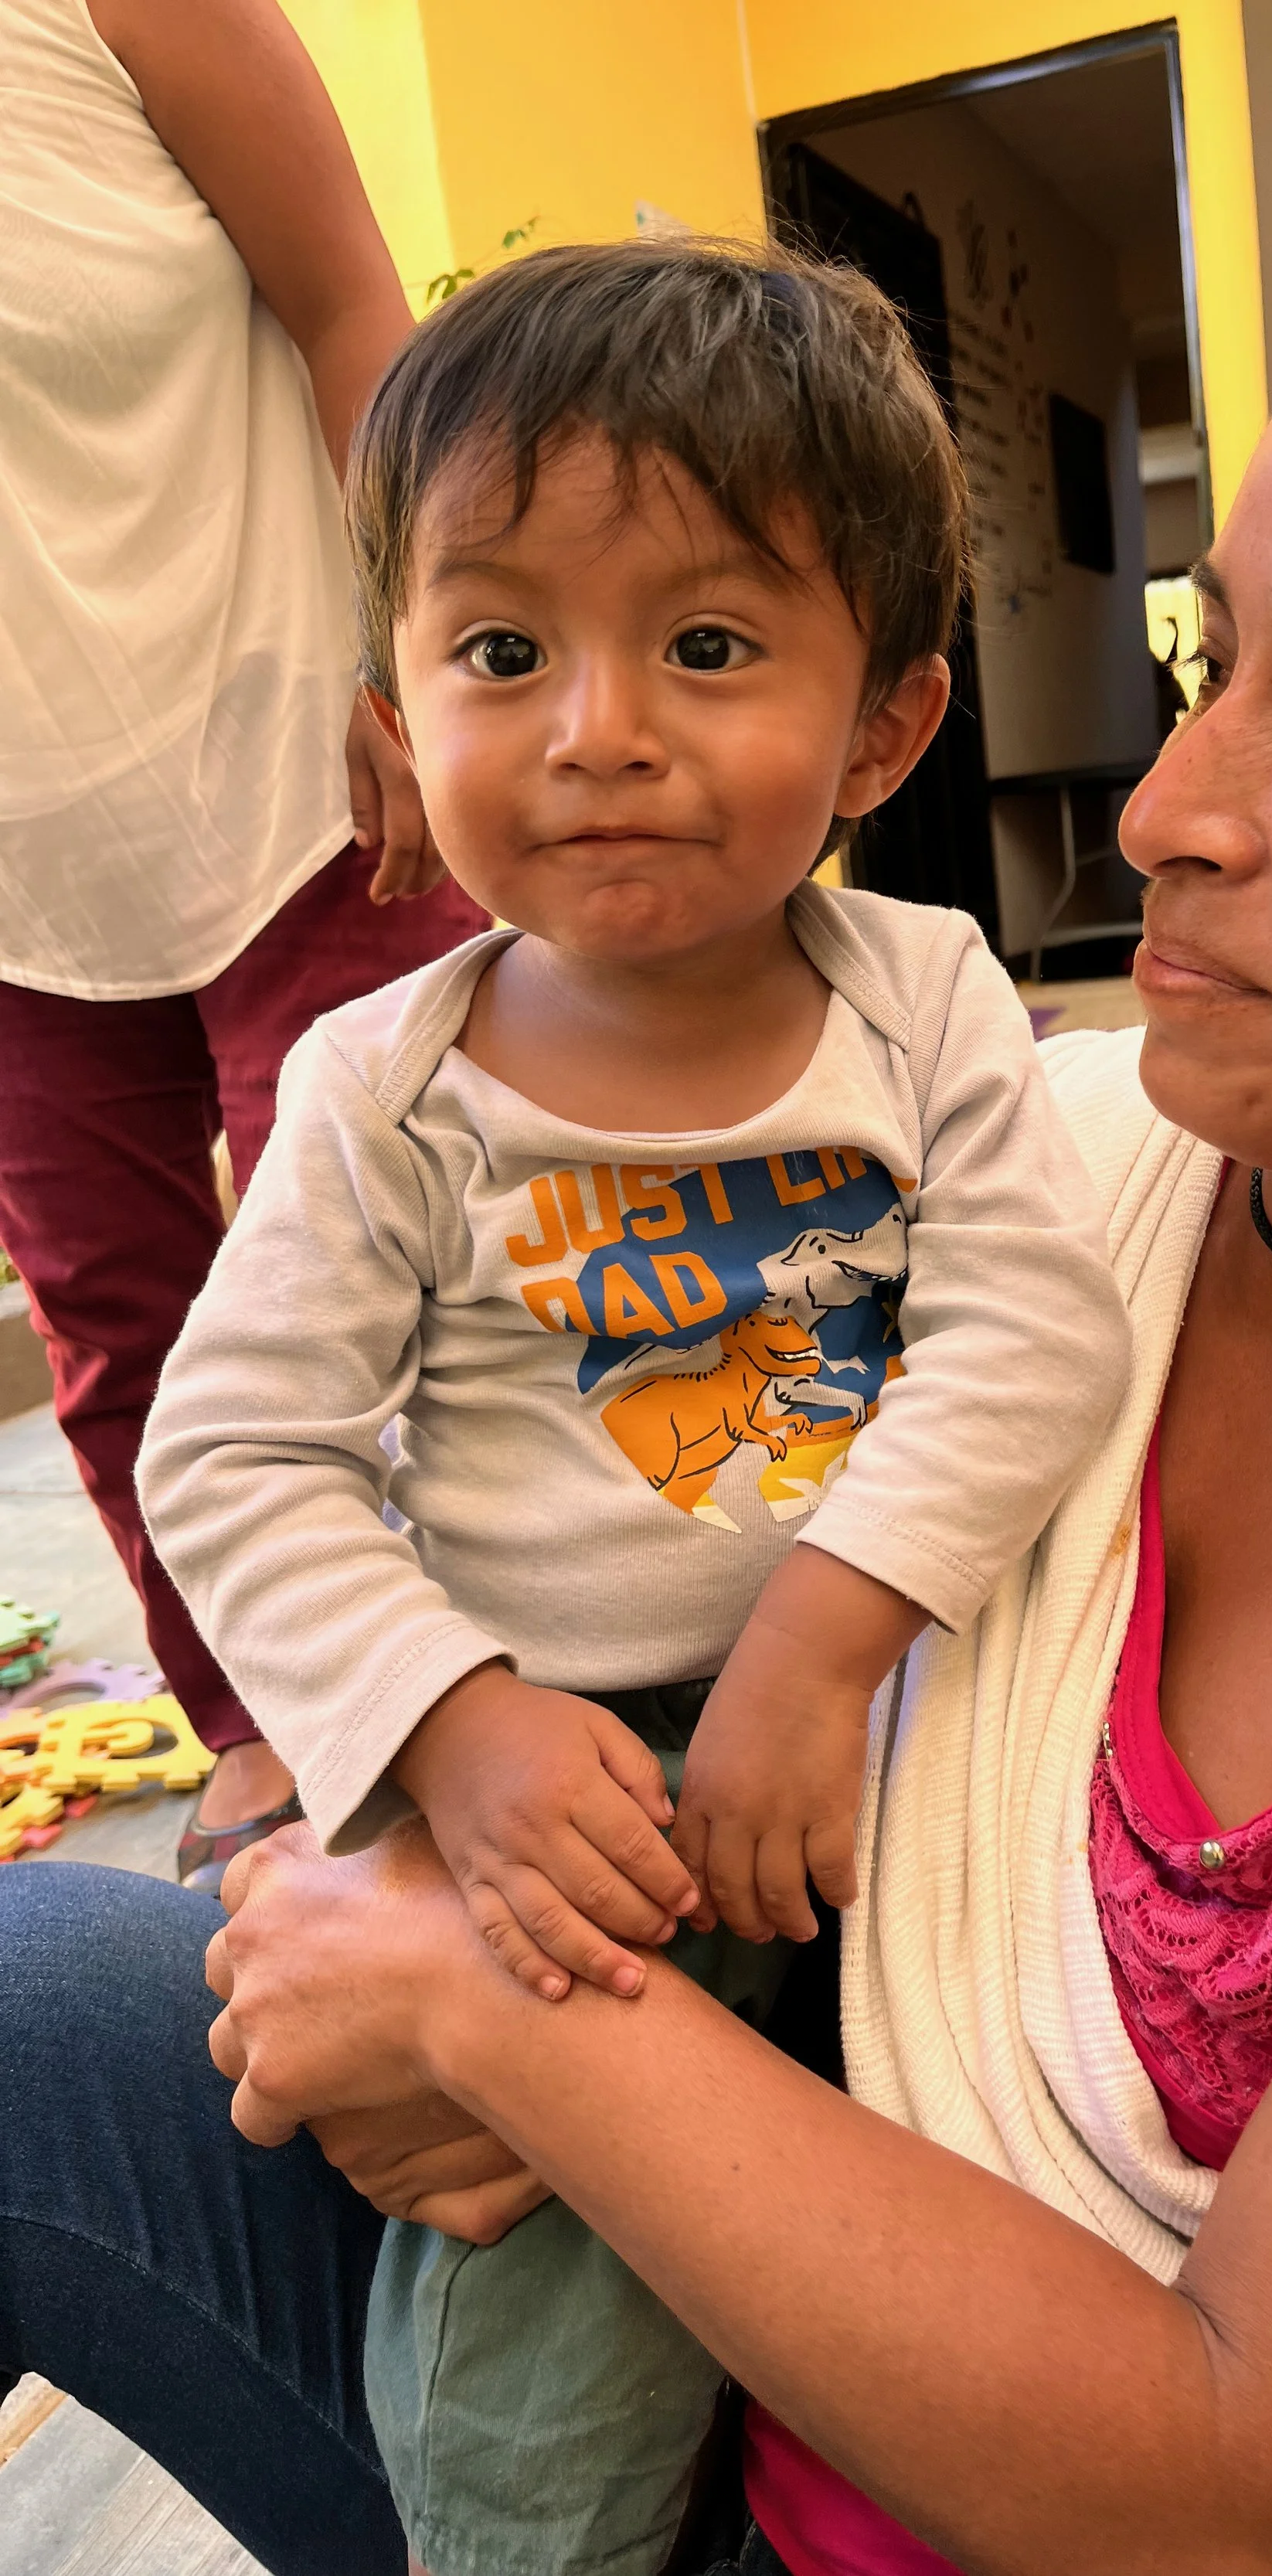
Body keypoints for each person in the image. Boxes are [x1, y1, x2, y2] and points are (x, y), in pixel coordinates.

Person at [6, 190, 1272, 2576]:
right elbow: (331, 1480)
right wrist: (377, 1845)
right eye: (1212, 659)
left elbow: (1246, 2509)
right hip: (675, 2104)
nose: (1161, 811)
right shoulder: (1055, 1144)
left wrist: (505, 2021)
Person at [134, 239, 1129, 2576]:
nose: (596, 729)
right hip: (568, 1804)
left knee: (940, 2218)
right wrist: (453, 1732)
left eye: (704, 645)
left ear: (882, 729)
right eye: (501, 652)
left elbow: (1033, 1329)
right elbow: (237, 1449)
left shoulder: (924, 994)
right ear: (397, 725)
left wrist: (818, 1645)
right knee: (542, 2385)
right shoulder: (385, 1086)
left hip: (891, 1735)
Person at [0, 0, 487, 1884]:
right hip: (26, 882)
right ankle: (265, 1725)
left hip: (308, 780)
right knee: (124, 1335)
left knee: (409, 1284)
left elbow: (354, 311)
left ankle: (506, 1695)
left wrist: (413, 655)